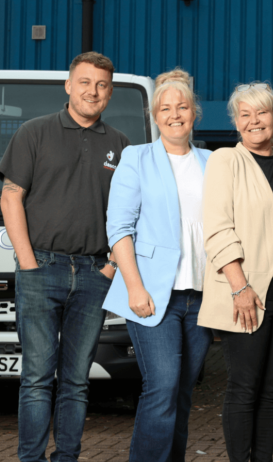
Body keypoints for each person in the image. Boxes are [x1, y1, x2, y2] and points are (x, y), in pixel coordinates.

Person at [0, 51, 130, 462]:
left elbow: (131, 212)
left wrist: (110, 266)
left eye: (102, 85)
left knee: (76, 381)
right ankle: (31, 459)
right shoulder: (33, 133)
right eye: (86, 82)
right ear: (69, 85)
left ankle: (67, 456)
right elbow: (11, 197)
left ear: (110, 94)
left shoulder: (122, 146)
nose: (93, 91)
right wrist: (28, 263)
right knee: (37, 378)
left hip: (94, 274)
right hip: (42, 269)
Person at [103, 69, 213, 462]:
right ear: (154, 115)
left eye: (182, 106)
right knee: (162, 385)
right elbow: (118, 228)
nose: (174, 114)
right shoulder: (137, 157)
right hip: (151, 294)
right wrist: (134, 287)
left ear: (194, 112)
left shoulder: (212, 161)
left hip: (200, 298)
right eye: (165, 108)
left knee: (182, 391)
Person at [198, 83, 273, 462]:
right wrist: (239, 287)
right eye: (245, 114)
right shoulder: (225, 161)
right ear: (236, 123)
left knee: (272, 389)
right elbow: (217, 227)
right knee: (244, 387)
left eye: (261, 112)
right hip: (247, 294)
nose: (254, 121)